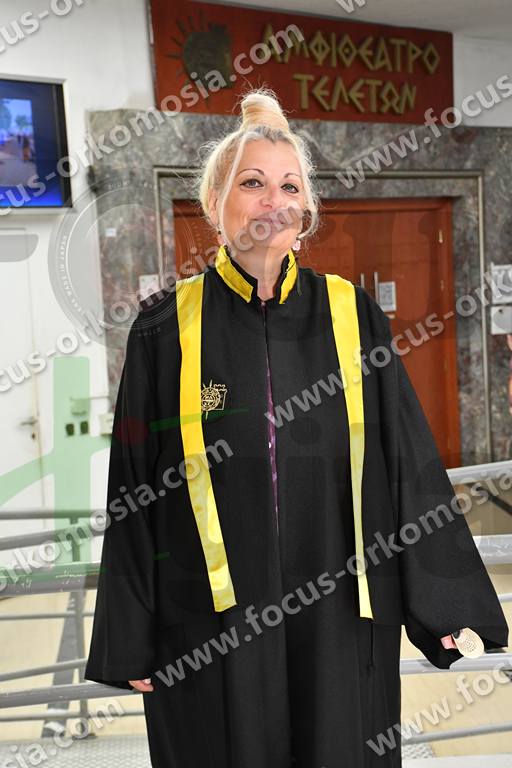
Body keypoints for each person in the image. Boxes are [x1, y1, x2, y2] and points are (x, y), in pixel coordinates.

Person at [84, 86, 509, 767]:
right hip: (211, 619)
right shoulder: (165, 326)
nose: (274, 201)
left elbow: (407, 458)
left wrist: (448, 600)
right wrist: (130, 634)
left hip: (339, 610)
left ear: (306, 212)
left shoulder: (351, 314)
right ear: (214, 203)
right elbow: (135, 486)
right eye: (252, 183)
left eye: (290, 186)